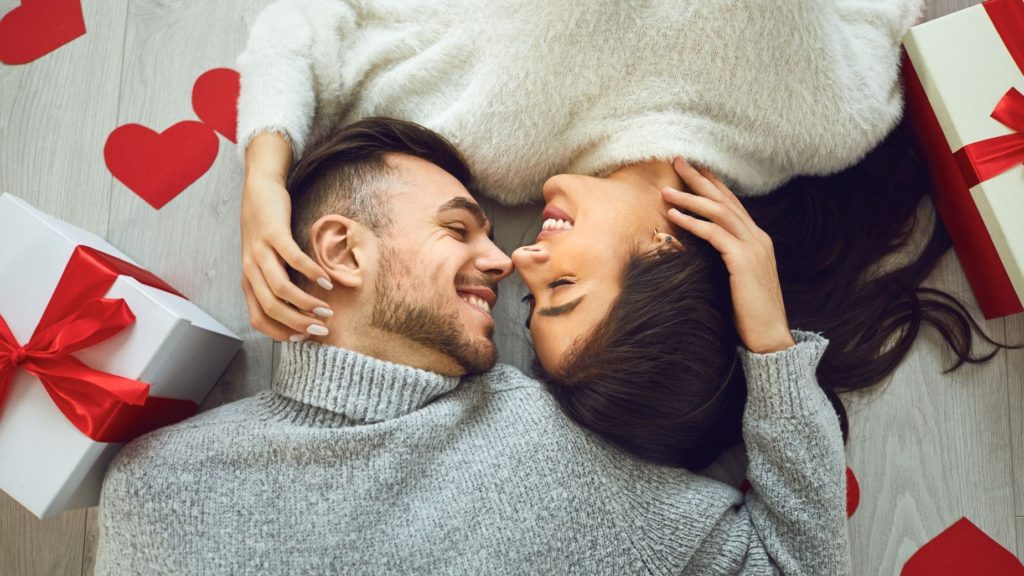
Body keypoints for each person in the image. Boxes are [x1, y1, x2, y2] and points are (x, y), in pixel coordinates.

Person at [237, 0, 1017, 469]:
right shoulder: (828, 123)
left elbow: (314, 24)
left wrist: (264, 182)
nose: (521, 259)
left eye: (531, 300)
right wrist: (770, 344)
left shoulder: (492, 145)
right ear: (666, 252)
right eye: (562, 289)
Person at [96, 117, 849, 575]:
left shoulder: (558, 456)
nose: (505, 260)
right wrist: (263, 171)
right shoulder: (159, 485)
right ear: (343, 252)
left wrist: (771, 349)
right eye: (459, 229)